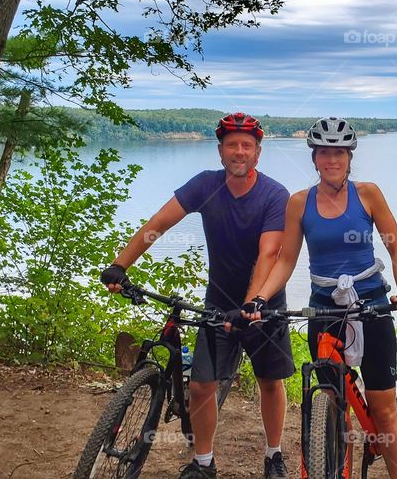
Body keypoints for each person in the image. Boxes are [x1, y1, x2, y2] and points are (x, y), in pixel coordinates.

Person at [100, 112, 293, 479]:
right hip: (218, 303)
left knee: (270, 382)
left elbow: (269, 254)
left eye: (247, 146)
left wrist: (250, 305)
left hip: (263, 304)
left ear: (258, 153)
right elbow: (158, 224)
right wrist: (120, 265)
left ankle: (274, 455)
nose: (239, 152)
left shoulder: (274, 195)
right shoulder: (205, 185)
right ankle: (204, 462)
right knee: (203, 384)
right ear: (220, 151)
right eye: (232, 145)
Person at [248, 117, 397, 479]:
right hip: (324, 309)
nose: (332, 160)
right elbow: (286, 260)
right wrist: (260, 297)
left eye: (339, 153)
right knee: (334, 401)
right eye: (324, 153)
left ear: (349, 157)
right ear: (314, 159)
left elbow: (395, 247)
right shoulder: (299, 203)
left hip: (371, 305)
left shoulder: (368, 194)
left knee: (383, 409)